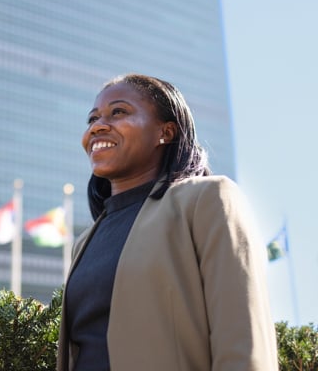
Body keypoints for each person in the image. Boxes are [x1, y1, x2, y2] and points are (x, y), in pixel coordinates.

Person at [57, 73, 278, 370]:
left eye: (118, 112)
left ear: (166, 132)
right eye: (92, 119)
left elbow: (243, 337)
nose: (98, 126)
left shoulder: (208, 199)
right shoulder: (84, 242)